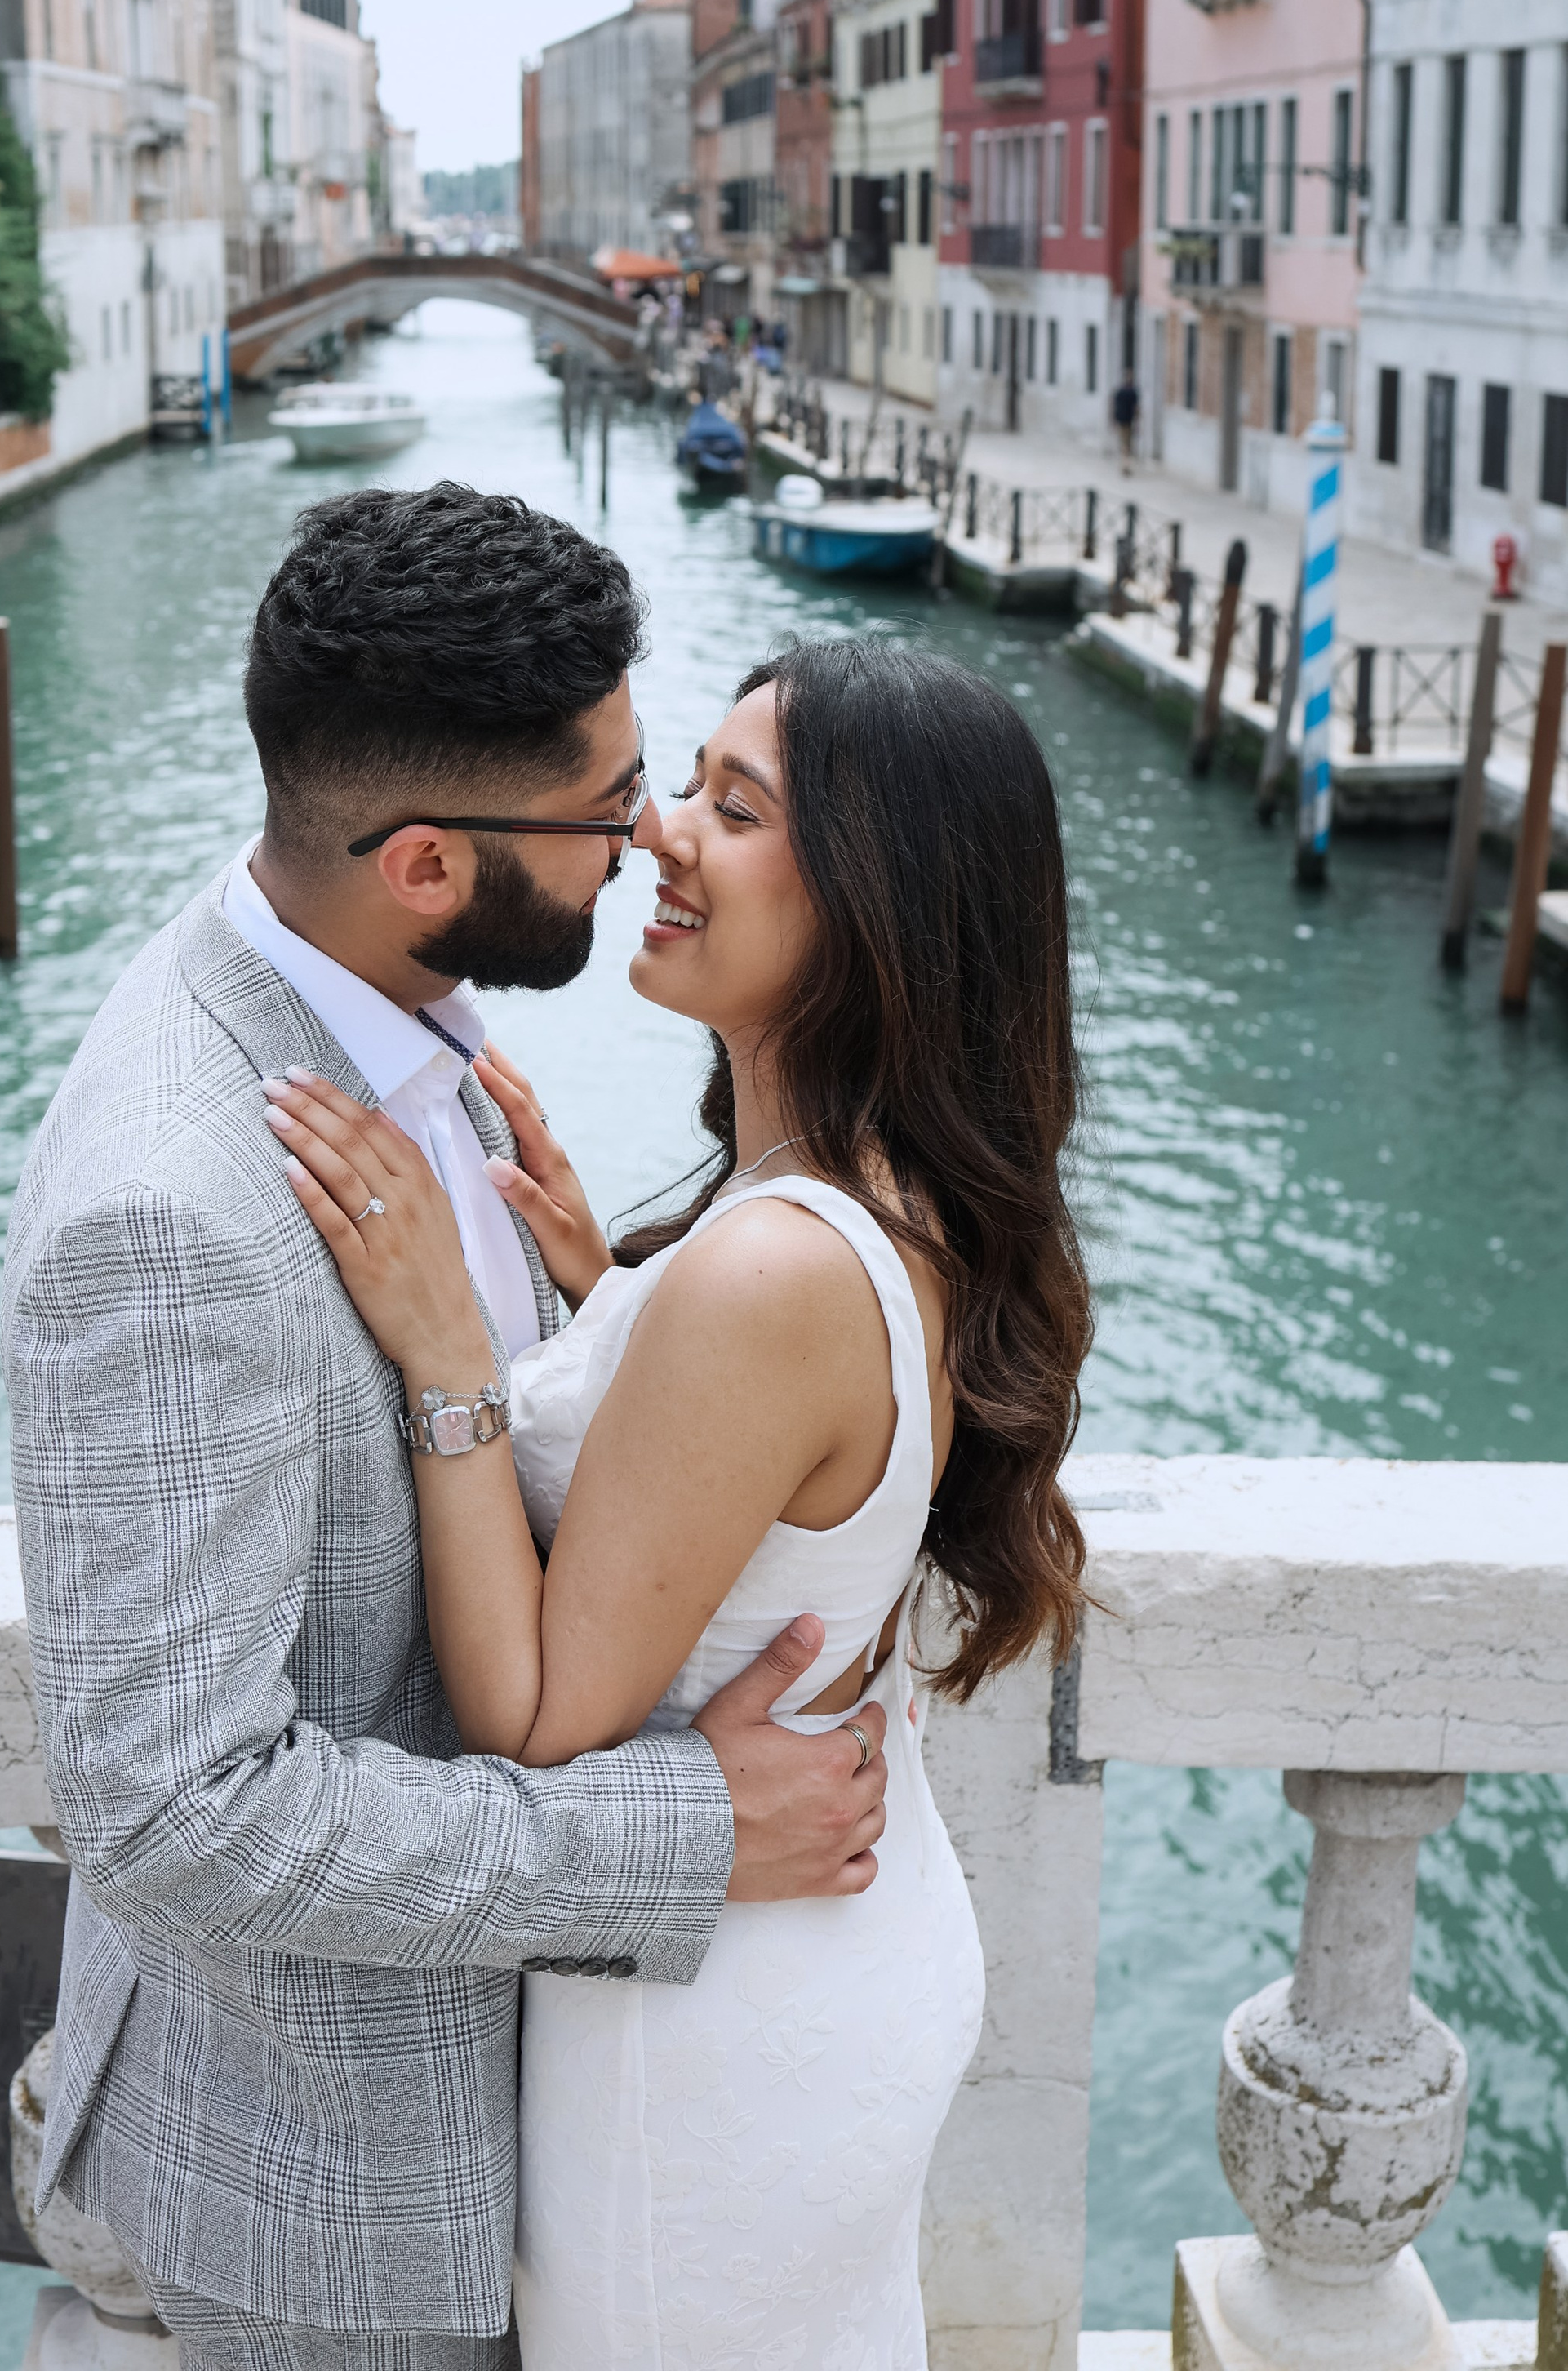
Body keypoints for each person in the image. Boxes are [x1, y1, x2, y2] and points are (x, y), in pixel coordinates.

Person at [4, 483, 890, 2371]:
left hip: (524, 2130)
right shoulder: (174, 1210)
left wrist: (587, 1318)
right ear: (422, 859)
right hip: (324, 2190)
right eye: (604, 804)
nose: (643, 840)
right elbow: (173, 1811)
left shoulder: (404, 1032)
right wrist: (675, 1832)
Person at [269, 633, 1093, 2368]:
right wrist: (611, 1302)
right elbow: (753, 1481)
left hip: (707, 2041)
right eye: (681, 786)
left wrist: (450, 1356)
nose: (655, 831)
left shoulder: (764, 1275)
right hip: (810, 1958)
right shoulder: (861, 1210)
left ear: (875, 893)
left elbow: (537, 1717)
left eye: (733, 806)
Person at [1113, 371, 1140, 474]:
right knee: (1127, 445)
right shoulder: (1132, 392)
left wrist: (1113, 420)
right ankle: (1125, 465)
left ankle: (1125, 465)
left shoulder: (1121, 391)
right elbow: (1136, 409)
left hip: (1123, 421)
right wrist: (1137, 423)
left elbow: (1114, 406)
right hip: (1128, 422)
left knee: (1124, 445)